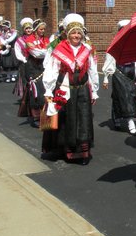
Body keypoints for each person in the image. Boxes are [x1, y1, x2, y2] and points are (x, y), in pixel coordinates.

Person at [41, 14, 99, 165]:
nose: (76, 35)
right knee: (67, 120)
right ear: (67, 33)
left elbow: (92, 70)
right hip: (65, 90)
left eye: (79, 33)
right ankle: (68, 151)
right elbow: (52, 70)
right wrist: (48, 90)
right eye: (73, 32)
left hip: (82, 89)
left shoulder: (87, 49)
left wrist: (95, 90)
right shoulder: (59, 49)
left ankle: (83, 152)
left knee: (84, 119)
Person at [102, 19, 136, 145]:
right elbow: (109, 60)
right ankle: (128, 121)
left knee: (129, 96)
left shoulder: (135, 43)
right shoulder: (115, 43)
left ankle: (121, 117)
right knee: (122, 96)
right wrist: (106, 77)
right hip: (119, 72)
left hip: (131, 73)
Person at [24, 20, 50, 127]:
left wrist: (45, 51)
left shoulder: (46, 39)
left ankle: (45, 116)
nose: (43, 31)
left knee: (45, 91)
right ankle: (36, 116)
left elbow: (49, 51)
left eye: (44, 29)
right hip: (33, 68)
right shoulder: (29, 39)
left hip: (43, 67)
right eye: (41, 29)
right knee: (36, 92)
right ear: (35, 30)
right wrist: (46, 51)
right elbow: (36, 54)